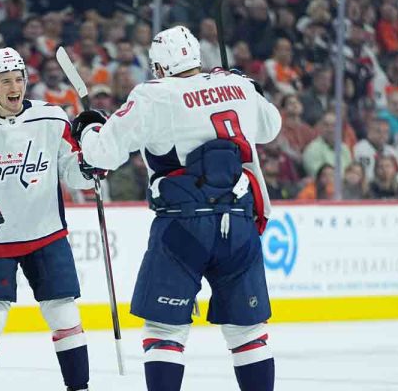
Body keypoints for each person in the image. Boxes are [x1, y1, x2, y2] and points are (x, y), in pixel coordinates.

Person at [72, 25, 281, 391]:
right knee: (247, 332)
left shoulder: (156, 95)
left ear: (159, 67)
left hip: (184, 227)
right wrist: (250, 88)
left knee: (164, 332)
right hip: (239, 222)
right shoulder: (238, 85)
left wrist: (89, 129)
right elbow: (270, 128)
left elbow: (102, 153)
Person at [0, 48, 97, 391]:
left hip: (46, 234)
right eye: (5, 80)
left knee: (64, 314)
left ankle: (79, 387)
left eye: (19, 78)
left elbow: (74, 171)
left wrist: (93, 161)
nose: (15, 86)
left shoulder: (53, 118)